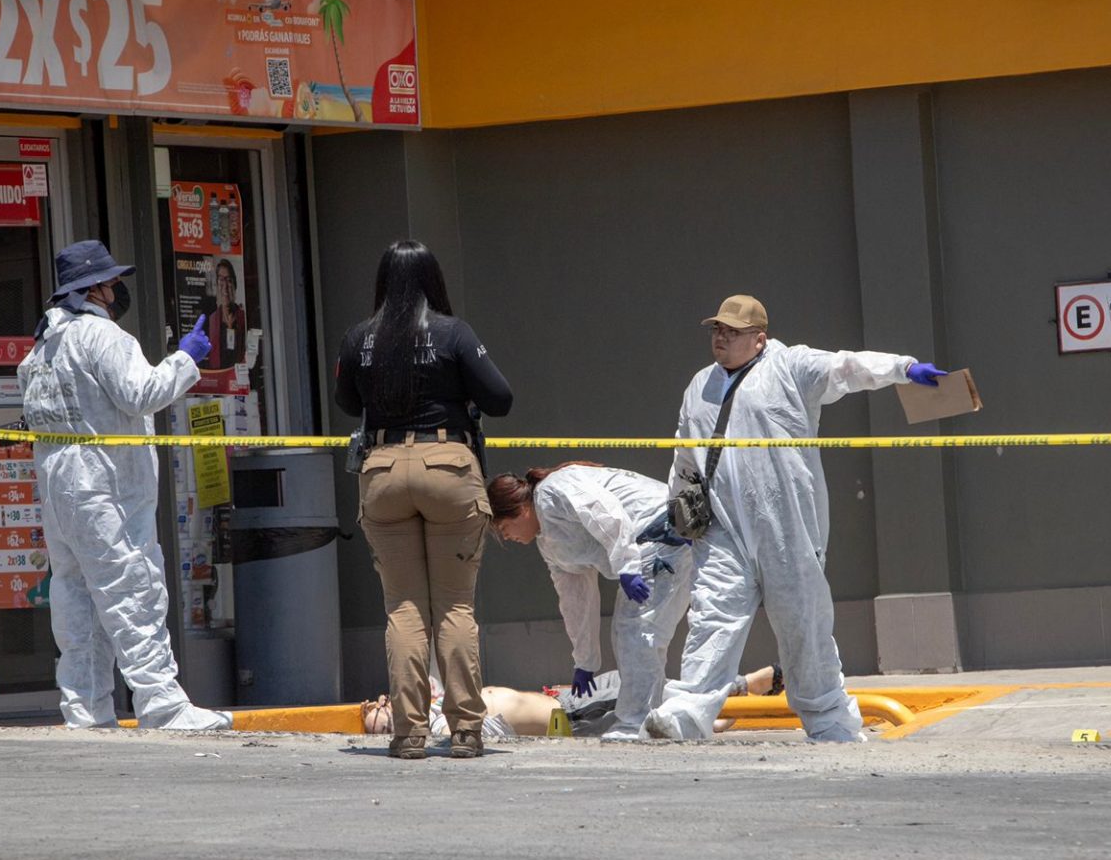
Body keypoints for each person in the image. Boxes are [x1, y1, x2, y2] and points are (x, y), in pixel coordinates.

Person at [643, 294, 947, 742]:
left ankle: (829, 720)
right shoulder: (700, 386)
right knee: (711, 617)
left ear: (759, 338)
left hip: (787, 527)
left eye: (731, 331)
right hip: (723, 528)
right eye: (716, 330)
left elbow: (846, 367)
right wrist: (677, 510)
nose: (720, 337)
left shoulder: (791, 367)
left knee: (803, 623)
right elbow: (685, 453)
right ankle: (688, 712)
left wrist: (903, 368)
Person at [17, 240, 229, 730]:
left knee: (77, 599)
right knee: (132, 587)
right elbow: (142, 394)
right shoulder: (103, 337)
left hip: (58, 485)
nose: (118, 290)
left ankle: (86, 710)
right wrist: (186, 358)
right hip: (104, 485)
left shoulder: (44, 344)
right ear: (95, 288)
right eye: (113, 282)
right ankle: (163, 704)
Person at [334, 240, 513, 760]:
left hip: (383, 470)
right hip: (447, 465)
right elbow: (501, 398)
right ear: (433, 279)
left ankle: (408, 732)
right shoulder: (453, 332)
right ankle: (464, 731)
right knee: (455, 605)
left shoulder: (360, 338)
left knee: (404, 608)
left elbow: (347, 401)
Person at [485, 462, 695, 740]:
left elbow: (606, 514)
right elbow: (575, 597)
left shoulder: (553, 490)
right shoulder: (548, 543)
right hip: (653, 545)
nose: (507, 537)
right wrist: (584, 660)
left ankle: (635, 722)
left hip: (661, 534)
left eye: (504, 528)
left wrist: (627, 565)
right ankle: (646, 718)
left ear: (521, 510)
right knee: (635, 633)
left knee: (636, 632)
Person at [361, 665, 784, 740]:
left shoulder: (435, 706)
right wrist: (392, 717)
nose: (375, 704)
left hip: (566, 706)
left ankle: (722, 703)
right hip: (568, 717)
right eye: (376, 717)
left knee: (646, 690)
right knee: (643, 690)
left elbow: (425, 680)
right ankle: (741, 685)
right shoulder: (438, 729)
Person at [206, 257, 247, 370]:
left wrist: (231, 329)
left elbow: (236, 357)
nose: (225, 285)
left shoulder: (242, 318)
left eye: (229, 280)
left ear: (235, 285)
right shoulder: (212, 319)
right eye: (221, 279)